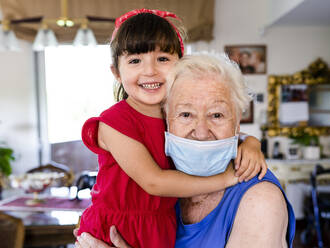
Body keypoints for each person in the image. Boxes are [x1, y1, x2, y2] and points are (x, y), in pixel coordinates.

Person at [76, 9, 267, 248]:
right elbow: (153, 182)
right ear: (116, 72)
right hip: (119, 229)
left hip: (160, 225)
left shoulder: (175, 115)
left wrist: (251, 143)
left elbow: (213, 133)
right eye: (135, 61)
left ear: (180, 63)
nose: (150, 71)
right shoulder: (115, 121)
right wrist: (226, 179)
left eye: (163, 59)